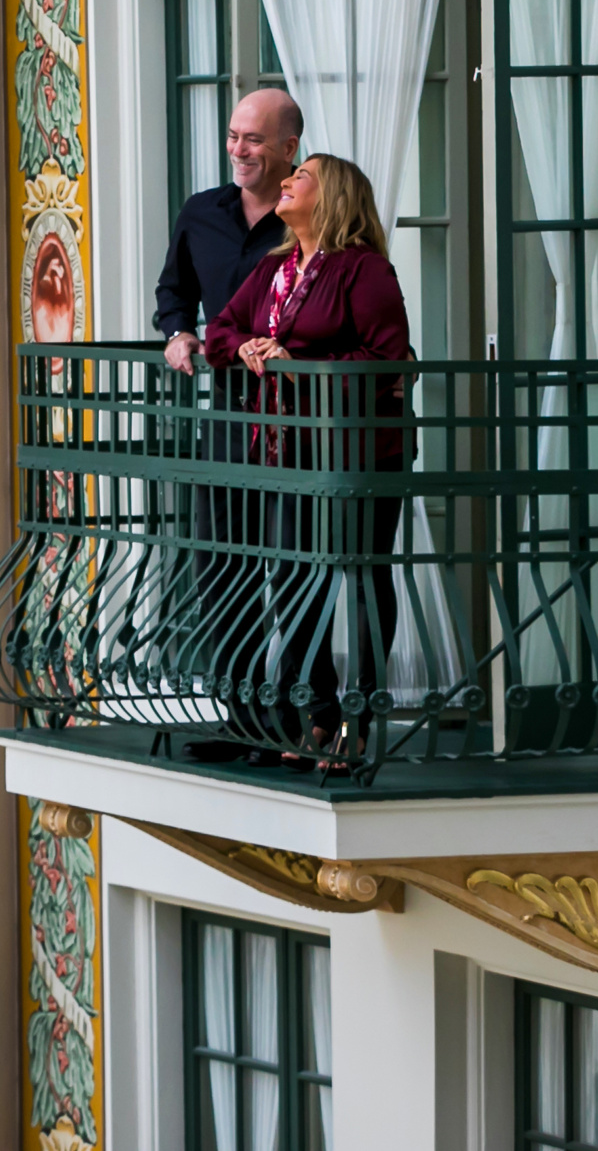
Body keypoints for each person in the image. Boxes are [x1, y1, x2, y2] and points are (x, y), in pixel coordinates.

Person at [200, 153, 415, 765]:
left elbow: (386, 358)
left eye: (302, 177)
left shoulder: (365, 270)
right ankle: (319, 717)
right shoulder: (275, 269)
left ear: (333, 197)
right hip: (287, 450)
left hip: (360, 454)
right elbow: (220, 331)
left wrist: (304, 369)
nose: (287, 181)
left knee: (363, 577)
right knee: (295, 577)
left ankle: (361, 720)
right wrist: (249, 347)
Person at [156, 87, 301, 369]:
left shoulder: (320, 215)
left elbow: (364, 289)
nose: (238, 150)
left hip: (299, 399)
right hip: (225, 400)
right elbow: (174, 290)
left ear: (289, 148)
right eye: (233, 136)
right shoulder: (200, 213)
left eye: (253, 140)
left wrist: (395, 353)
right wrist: (179, 333)